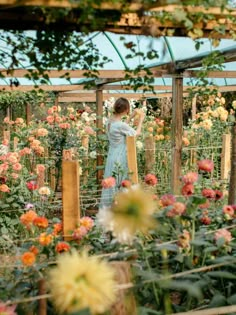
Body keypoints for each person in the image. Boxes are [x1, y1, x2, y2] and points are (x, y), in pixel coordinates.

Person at [99, 97, 145, 210]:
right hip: (120, 157)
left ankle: (109, 210)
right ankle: (119, 209)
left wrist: (130, 117)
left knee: (111, 183)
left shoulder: (110, 122)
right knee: (121, 182)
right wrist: (141, 119)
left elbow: (122, 127)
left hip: (112, 156)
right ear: (126, 109)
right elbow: (136, 133)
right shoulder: (120, 125)